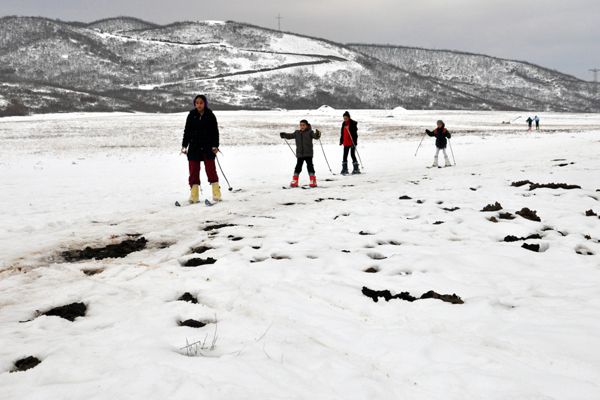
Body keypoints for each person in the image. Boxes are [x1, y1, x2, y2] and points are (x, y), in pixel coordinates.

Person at [181, 95, 221, 203]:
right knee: (193, 171)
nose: (199, 105)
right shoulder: (191, 115)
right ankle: (194, 195)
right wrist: (184, 145)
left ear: (205, 104)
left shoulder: (210, 115)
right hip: (194, 147)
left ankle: (216, 193)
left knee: (210, 170)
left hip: (208, 147)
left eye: (201, 103)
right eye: (197, 103)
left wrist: (215, 145)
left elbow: (215, 132)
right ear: (195, 104)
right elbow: (187, 132)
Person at [280, 120, 321, 187]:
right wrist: (284, 135)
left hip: (308, 153)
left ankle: (313, 180)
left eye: (303, 125)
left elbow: (315, 137)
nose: (302, 126)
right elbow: (290, 136)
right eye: (301, 125)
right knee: (298, 167)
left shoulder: (310, 132)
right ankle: (295, 180)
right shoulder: (297, 133)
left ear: (307, 125)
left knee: (310, 166)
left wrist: (317, 134)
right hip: (300, 154)